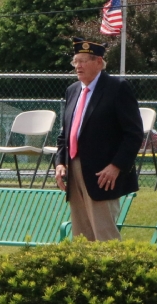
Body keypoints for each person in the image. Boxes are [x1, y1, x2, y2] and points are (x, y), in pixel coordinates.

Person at [52, 39, 143, 241]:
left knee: (105, 235)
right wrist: (60, 163)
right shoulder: (73, 90)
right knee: (82, 236)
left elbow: (134, 133)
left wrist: (116, 166)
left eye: (84, 61)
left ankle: (114, 271)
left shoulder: (117, 88)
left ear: (99, 62)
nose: (78, 66)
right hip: (74, 171)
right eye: (76, 61)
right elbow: (65, 134)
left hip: (104, 175)